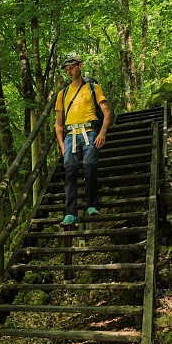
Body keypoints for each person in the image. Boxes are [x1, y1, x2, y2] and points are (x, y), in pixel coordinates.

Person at [55, 55, 112, 225]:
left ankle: (92, 205)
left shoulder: (93, 88)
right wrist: (61, 146)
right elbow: (58, 124)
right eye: (67, 69)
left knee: (90, 167)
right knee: (70, 172)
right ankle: (70, 212)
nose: (69, 72)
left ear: (80, 66)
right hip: (70, 136)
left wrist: (102, 133)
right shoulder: (62, 93)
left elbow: (107, 112)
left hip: (90, 132)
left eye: (72, 67)